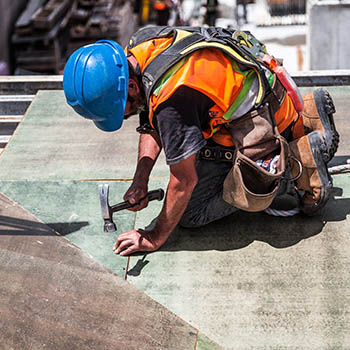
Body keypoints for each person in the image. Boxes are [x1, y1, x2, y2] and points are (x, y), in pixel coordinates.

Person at [63, 26, 339, 256]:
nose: (123, 117)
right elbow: (150, 118)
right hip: (267, 98)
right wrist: (141, 179)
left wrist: (154, 237)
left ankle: (295, 165)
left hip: (264, 125)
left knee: (191, 213)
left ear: (131, 86)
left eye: (119, 111)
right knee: (186, 149)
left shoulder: (173, 100)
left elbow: (184, 181)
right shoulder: (142, 46)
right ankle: (308, 116)